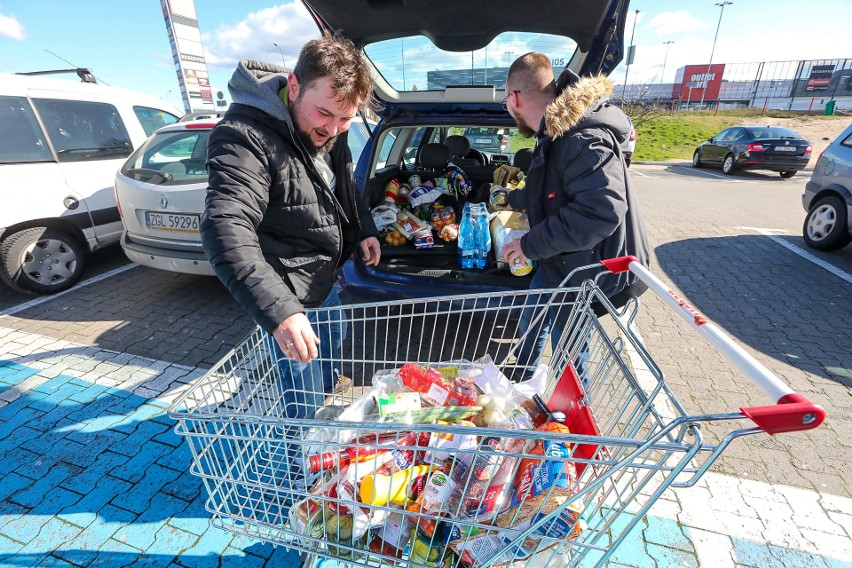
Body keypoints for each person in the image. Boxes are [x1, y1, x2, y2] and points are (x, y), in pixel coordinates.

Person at [201, 34, 381, 420]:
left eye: (346, 118)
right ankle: (307, 469)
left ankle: (329, 430)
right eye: (323, 114)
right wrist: (282, 313)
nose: (333, 129)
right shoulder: (243, 137)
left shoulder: (334, 126)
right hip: (290, 298)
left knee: (332, 366)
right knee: (304, 403)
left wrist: (364, 227)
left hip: (327, 283)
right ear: (294, 86)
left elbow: (345, 184)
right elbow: (225, 226)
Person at [497, 52, 650, 376]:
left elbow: (600, 211)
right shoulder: (556, 132)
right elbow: (553, 188)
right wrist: (514, 199)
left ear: (513, 99)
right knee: (532, 316)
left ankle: (568, 417)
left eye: (505, 104)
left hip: (589, 266)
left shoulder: (581, 137)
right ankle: (521, 376)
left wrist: (527, 245)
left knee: (568, 348)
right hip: (562, 258)